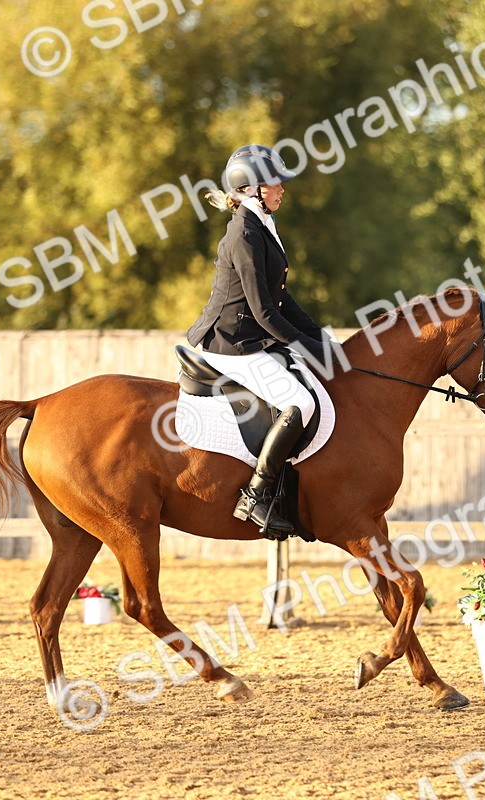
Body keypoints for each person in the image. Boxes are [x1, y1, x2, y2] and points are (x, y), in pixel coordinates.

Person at [188, 144, 333, 538]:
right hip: (231, 342)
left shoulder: (261, 225)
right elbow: (265, 312)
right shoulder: (244, 234)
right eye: (274, 184)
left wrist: (321, 338)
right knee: (300, 401)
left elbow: (282, 298)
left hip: (253, 336)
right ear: (251, 190)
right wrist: (307, 346)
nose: (282, 189)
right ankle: (255, 495)